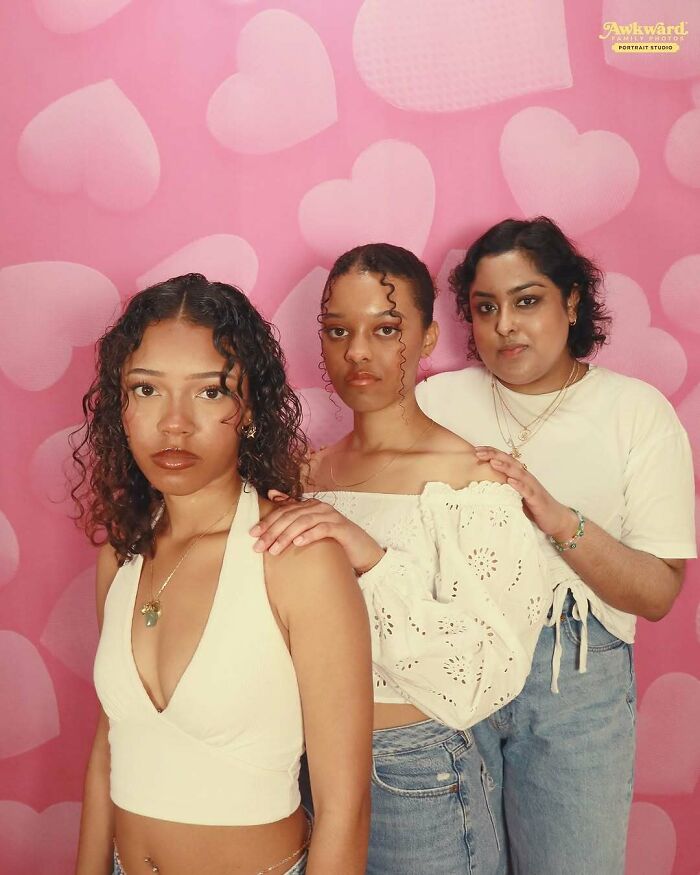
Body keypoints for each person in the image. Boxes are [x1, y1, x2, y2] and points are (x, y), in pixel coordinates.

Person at [249, 244, 549, 875]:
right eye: (338, 332)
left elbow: (477, 683)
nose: (358, 352)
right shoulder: (302, 475)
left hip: (414, 774)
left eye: (386, 330)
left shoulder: (475, 483)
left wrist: (368, 556)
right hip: (296, 766)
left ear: (428, 336)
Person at [415, 217, 697, 875]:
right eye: (486, 308)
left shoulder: (635, 412)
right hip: (452, 665)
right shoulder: (436, 402)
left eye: (528, 300)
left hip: (575, 670)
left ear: (572, 301)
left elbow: (657, 592)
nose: (505, 324)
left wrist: (553, 516)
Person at [72, 274, 372, 875]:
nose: (175, 424)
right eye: (147, 390)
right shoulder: (123, 555)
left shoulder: (298, 558)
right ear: (121, 408)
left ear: (250, 406)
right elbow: (112, 746)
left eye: (209, 393)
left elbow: (346, 807)